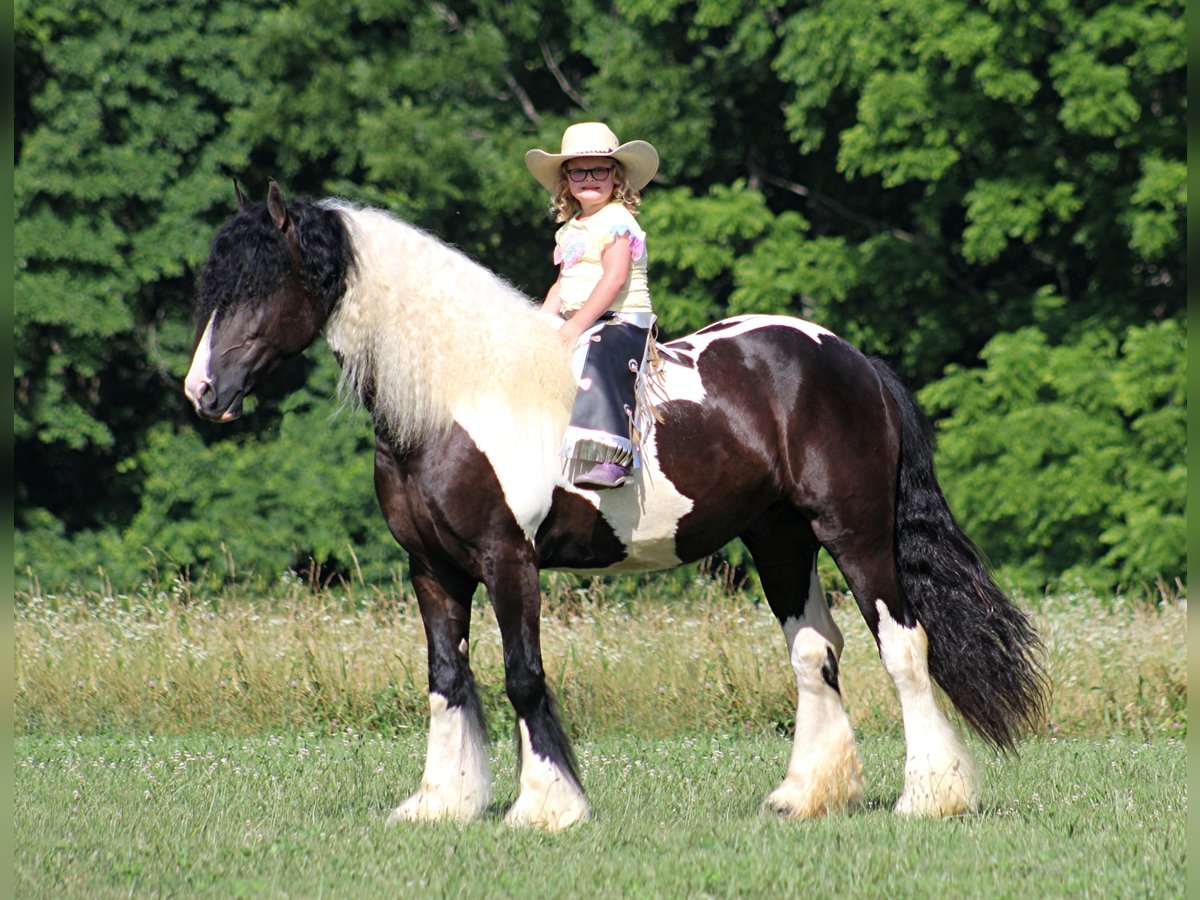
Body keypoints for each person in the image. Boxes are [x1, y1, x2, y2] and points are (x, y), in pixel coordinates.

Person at [525, 122, 659, 489]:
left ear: (615, 177)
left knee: (600, 356)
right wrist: (541, 324)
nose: (589, 178)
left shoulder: (616, 219)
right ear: (566, 179)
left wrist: (572, 328)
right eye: (578, 170)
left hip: (619, 319)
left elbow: (614, 278)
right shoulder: (570, 228)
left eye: (600, 169)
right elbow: (562, 284)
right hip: (581, 316)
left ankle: (615, 457)